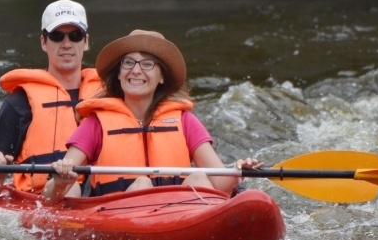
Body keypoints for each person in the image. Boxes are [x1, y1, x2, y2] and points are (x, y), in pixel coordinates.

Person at [42, 29, 263, 204]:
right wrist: (61, 182)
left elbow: (219, 183)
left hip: (179, 216)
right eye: (128, 63)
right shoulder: (96, 124)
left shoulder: (185, 121)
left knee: (199, 178)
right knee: (140, 184)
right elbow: (50, 195)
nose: (136, 70)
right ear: (118, 74)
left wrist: (236, 171)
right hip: (117, 219)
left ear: (161, 77)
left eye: (147, 64)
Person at [0, 0, 101, 199]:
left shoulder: (109, 96)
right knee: (72, 191)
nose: (67, 44)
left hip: (107, 201)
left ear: (86, 42)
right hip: (44, 201)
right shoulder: (18, 104)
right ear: (44, 42)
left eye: (75, 36)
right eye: (57, 36)